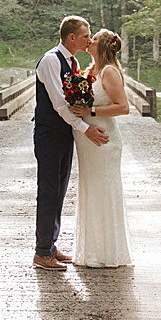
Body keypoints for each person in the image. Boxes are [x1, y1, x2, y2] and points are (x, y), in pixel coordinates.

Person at [33, 15, 108, 272]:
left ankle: (50, 245)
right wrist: (85, 129)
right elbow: (59, 105)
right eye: (86, 35)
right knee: (49, 190)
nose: (89, 40)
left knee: (60, 190)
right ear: (72, 36)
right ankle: (41, 252)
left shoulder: (73, 61)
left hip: (65, 134)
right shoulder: (51, 60)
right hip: (49, 133)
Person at [74, 29, 134, 268]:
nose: (90, 41)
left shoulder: (109, 71)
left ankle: (108, 253)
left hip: (104, 139)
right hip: (87, 141)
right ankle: (91, 251)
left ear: (104, 46)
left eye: (95, 38)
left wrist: (92, 112)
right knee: (90, 190)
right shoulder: (89, 70)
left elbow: (123, 107)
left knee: (104, 190)